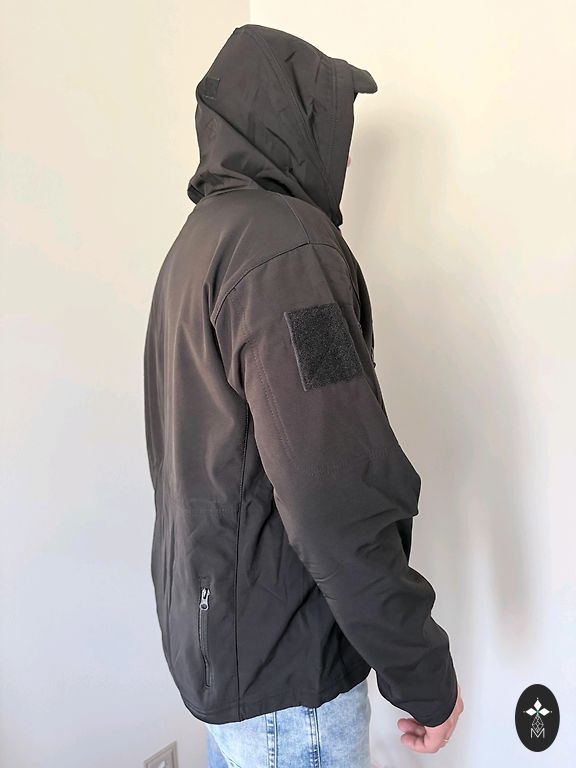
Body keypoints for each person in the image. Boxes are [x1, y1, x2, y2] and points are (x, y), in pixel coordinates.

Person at [143, 23, 464, 768]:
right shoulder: (285, 253)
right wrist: (424, 675)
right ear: (292, 121)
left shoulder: (195, 246)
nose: (345, 155)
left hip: (225, 657)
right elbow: (334, 495)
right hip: (290, 689)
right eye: (335, 125)